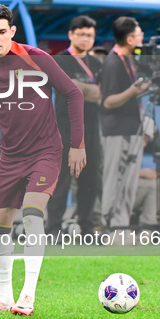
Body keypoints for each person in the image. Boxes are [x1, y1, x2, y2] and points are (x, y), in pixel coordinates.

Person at [0, 4, 85, 315]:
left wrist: (78, 145)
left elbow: (73, 94)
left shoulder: (37, 58)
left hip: (46, 151)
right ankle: (3, 297)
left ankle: (27, 296)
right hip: (10, 157)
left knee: (32, 215)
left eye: (2, 32)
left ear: (12, 32)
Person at [47, 15, 102, 239]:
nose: (86, 39)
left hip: (91, 128)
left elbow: (101, 94)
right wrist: (87, 91)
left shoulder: (97, 63)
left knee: (90, 182)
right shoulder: (59, 61)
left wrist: (83, 89)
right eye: (81, 34)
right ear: (71, 35)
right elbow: (72, 92)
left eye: (89, 35)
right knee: (60, 182)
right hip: (65, 129)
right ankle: (54, 230)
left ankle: (87, 229)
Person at [100, 17, 150, 244]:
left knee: (128, 180)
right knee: (115, 179)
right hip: (116, 131)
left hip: (132, 128)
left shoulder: (130, 60)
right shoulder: (112, 62)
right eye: (140, 35)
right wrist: (133, 90)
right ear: (130, 39)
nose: (142, 39)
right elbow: (109, 101)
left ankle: (123, 225)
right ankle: (112, 227)